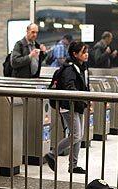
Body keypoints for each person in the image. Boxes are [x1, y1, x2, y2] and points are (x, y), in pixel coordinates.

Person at [43, 41, 90, 174]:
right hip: (68, 105)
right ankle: (52, 154)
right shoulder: (69, 68)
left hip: (79, 105)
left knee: (78, 136)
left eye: (86, 52)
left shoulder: (83, 67)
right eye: (83, 52)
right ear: (75, 54)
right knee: (76, 135)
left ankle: (73, 166)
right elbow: (70, 87)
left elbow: (85, 85)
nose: (86, 54)